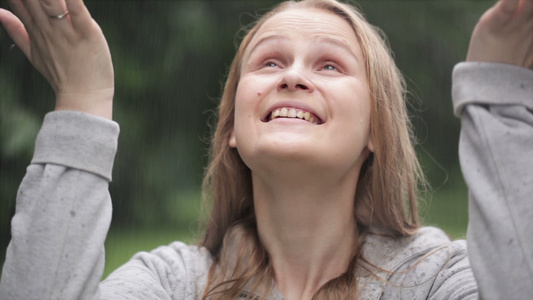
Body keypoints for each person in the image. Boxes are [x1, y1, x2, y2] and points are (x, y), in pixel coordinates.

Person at [0, 0, 531, 299]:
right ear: (232, 125)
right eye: (270, 63)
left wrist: (500, 104)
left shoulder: (439, 279)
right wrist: (82, 101)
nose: (294, 77)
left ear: (377, 129)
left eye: (330, 65)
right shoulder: (172, 284)